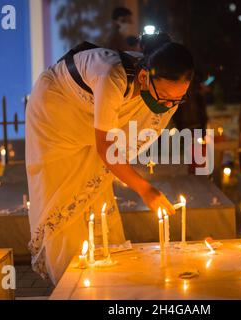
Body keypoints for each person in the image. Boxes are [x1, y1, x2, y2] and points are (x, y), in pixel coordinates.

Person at [25, 33, 193, 284]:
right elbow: (107, 151)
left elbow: (110, 148)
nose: (170, 105)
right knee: (63, 193)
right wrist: (146, 190)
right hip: (56, 113)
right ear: (145, 77)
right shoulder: (112, 76)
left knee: (93, 192)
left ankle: (104, 277)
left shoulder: (161, 83)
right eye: (166, 97)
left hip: (92, 116)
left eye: (178, 99)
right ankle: (71, 282)